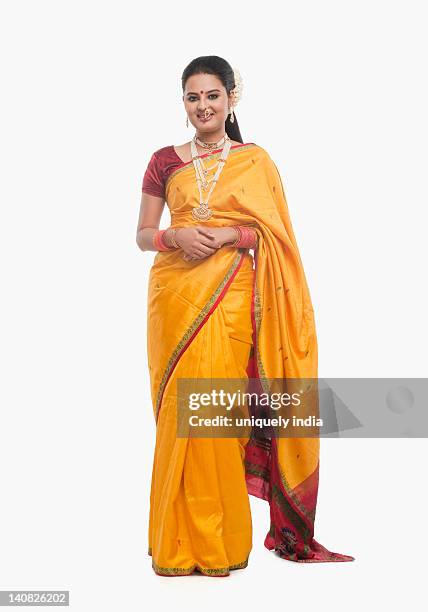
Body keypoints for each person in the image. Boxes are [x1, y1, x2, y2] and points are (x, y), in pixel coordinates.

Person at [136, 55, 354, 577]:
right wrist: (175, 236)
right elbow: (143, 235)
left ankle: (220, 544)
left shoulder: (255, 162)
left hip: (233, 295)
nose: (203, 106)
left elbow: (276, 236)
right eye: (193, 97)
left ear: (232, 97)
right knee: (179, 419)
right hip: (174, 298)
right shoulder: (163, 160)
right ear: (183, 103)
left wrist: (234, 234)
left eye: (212, 95)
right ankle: (175, 541)